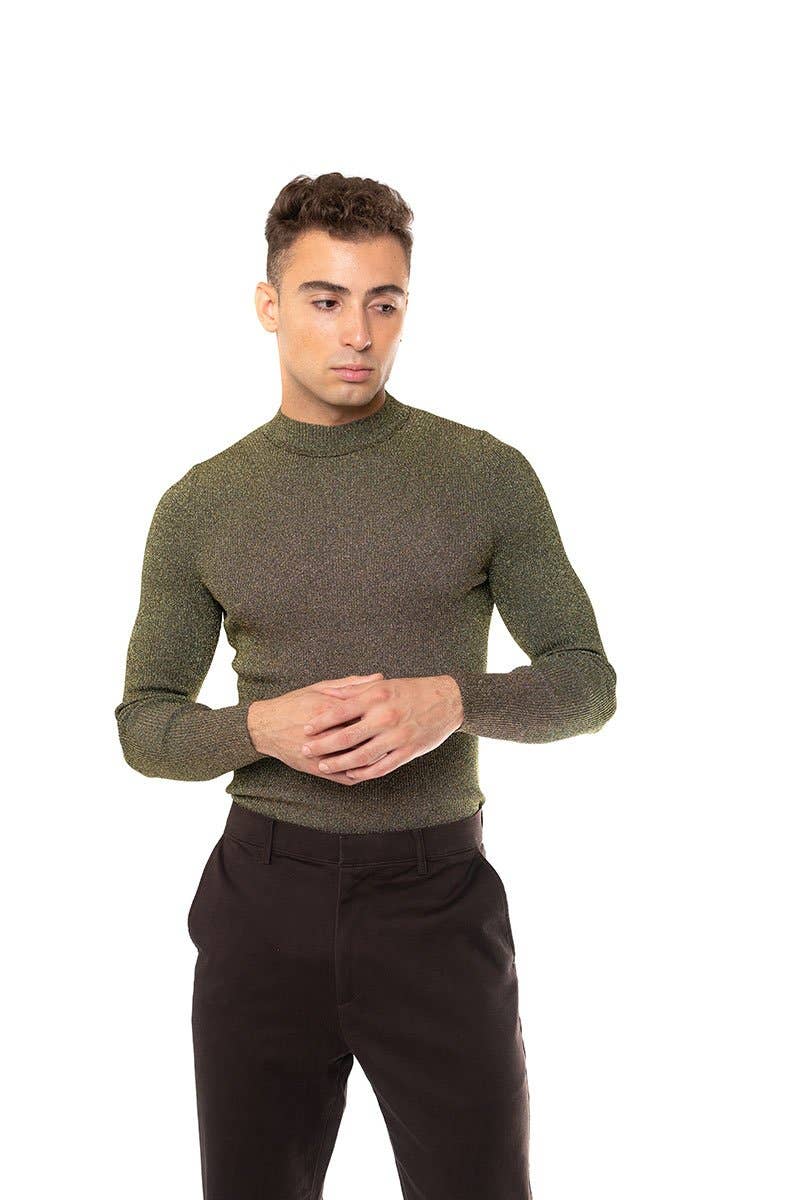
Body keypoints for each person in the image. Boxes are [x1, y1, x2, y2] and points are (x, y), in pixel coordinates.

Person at [114, 171, 617, 1200]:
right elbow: (144, 724)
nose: (358, 334)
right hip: (262, 898)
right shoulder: (199, 505)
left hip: (436, 900)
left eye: (384, 303)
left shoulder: (485, 475)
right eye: (326, 299)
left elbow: (587, 682)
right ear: (269, 305)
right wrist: (257, 727)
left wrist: (455, 701)